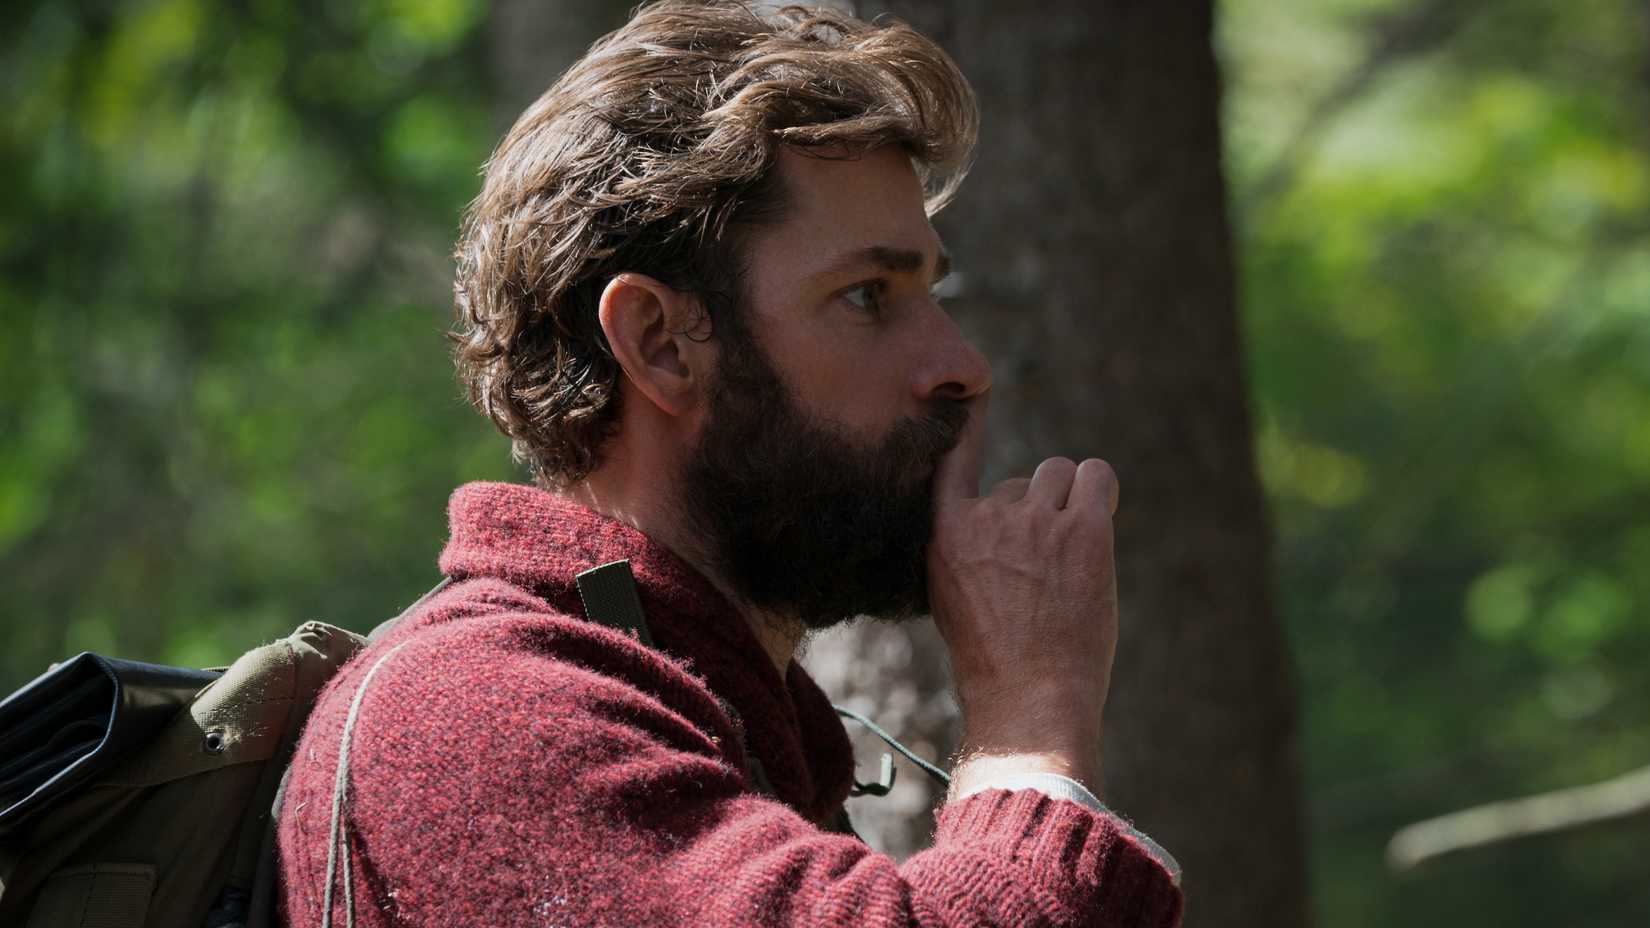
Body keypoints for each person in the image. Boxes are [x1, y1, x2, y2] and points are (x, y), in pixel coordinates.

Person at [278, 2, 1184, 925]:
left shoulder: (695, 710)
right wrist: (1031, 710)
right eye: (868, 295)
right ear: (662, 344)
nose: (961, 365)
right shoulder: (478, 714)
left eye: (930, 289)